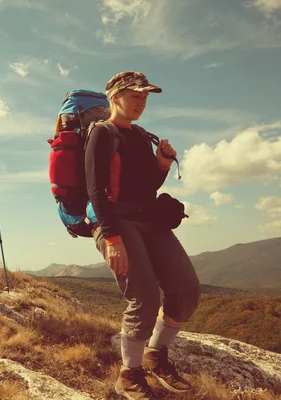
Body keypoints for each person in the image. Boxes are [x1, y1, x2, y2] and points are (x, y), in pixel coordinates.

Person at [84, 71, 201, 399]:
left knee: (187, 288)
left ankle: (155, 354)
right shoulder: (101, 133)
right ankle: (129, 374)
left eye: (145, 96)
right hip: (115, 224)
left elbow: (145, 189)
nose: (142, 101)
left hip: (148, 220)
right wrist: (111, 238)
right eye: (135, 95)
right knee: (145, 297)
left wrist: (161, 165)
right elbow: (95, 190)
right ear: (115, 97)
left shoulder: (141, 136)